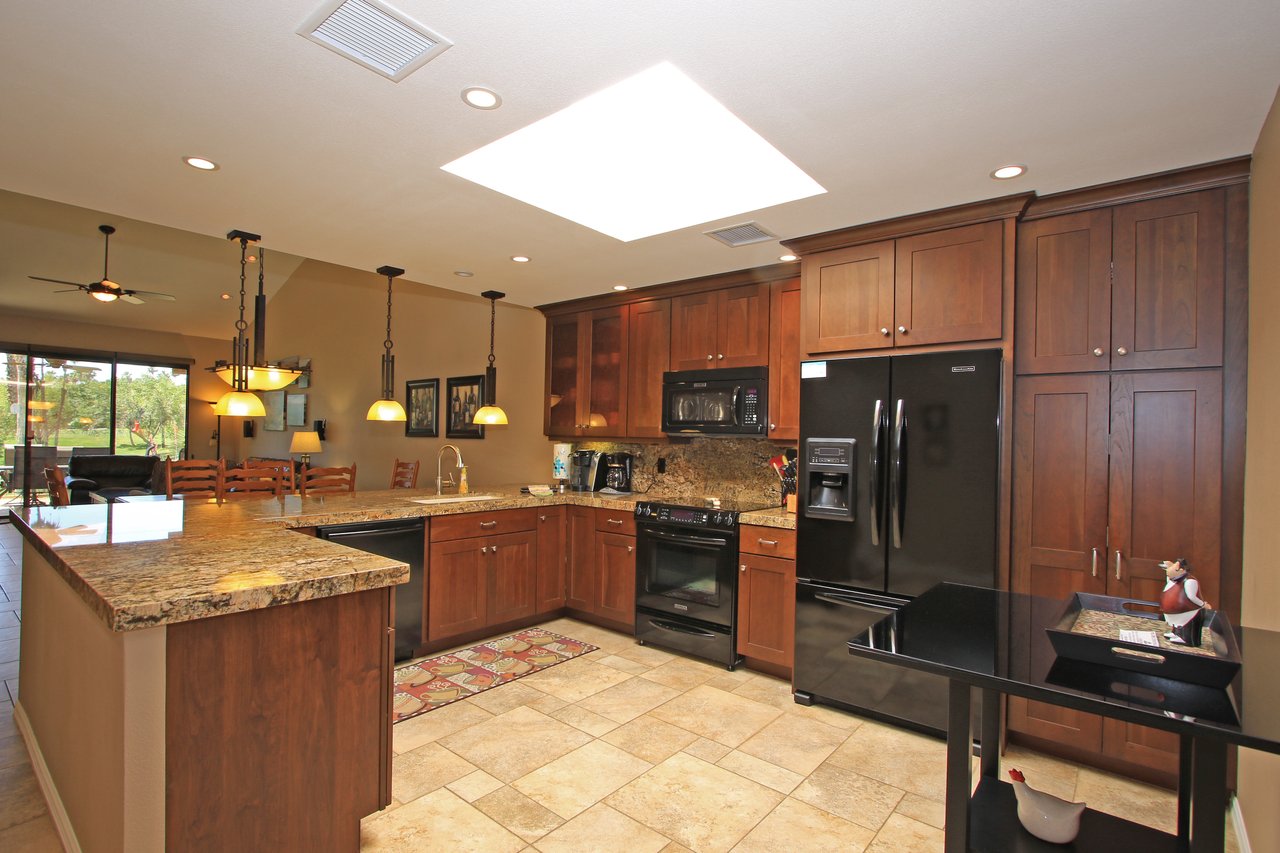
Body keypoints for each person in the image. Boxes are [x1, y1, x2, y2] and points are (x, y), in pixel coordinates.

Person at [1159, 558, 1208, 646]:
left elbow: (1192, 597)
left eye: (1172, 568)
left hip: (1189, 610)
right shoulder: (1175, 579)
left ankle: (1187, 639)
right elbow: (1169, 580)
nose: (1167, 570)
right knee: (1177, 623)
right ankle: (1176, 633)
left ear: (1181, 570)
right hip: (1177, 611)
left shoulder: (1190, 581)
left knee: (1187, 624)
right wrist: (1169, 567)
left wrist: (1203, 604)